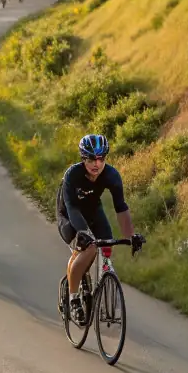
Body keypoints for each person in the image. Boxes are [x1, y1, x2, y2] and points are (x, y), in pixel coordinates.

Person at [56, 134, 143, 326]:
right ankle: (73, 298)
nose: (97, 164)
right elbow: (72, 208)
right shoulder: (73, 175)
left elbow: (121, 207)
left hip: (93, 210)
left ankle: (104, 279)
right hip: (69, 213)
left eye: (101, 159)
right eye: (91, 159)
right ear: (83, 159)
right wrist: (84, 233)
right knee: (89, 248)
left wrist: (130, 237)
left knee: (107, 244)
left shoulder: (111, 175)